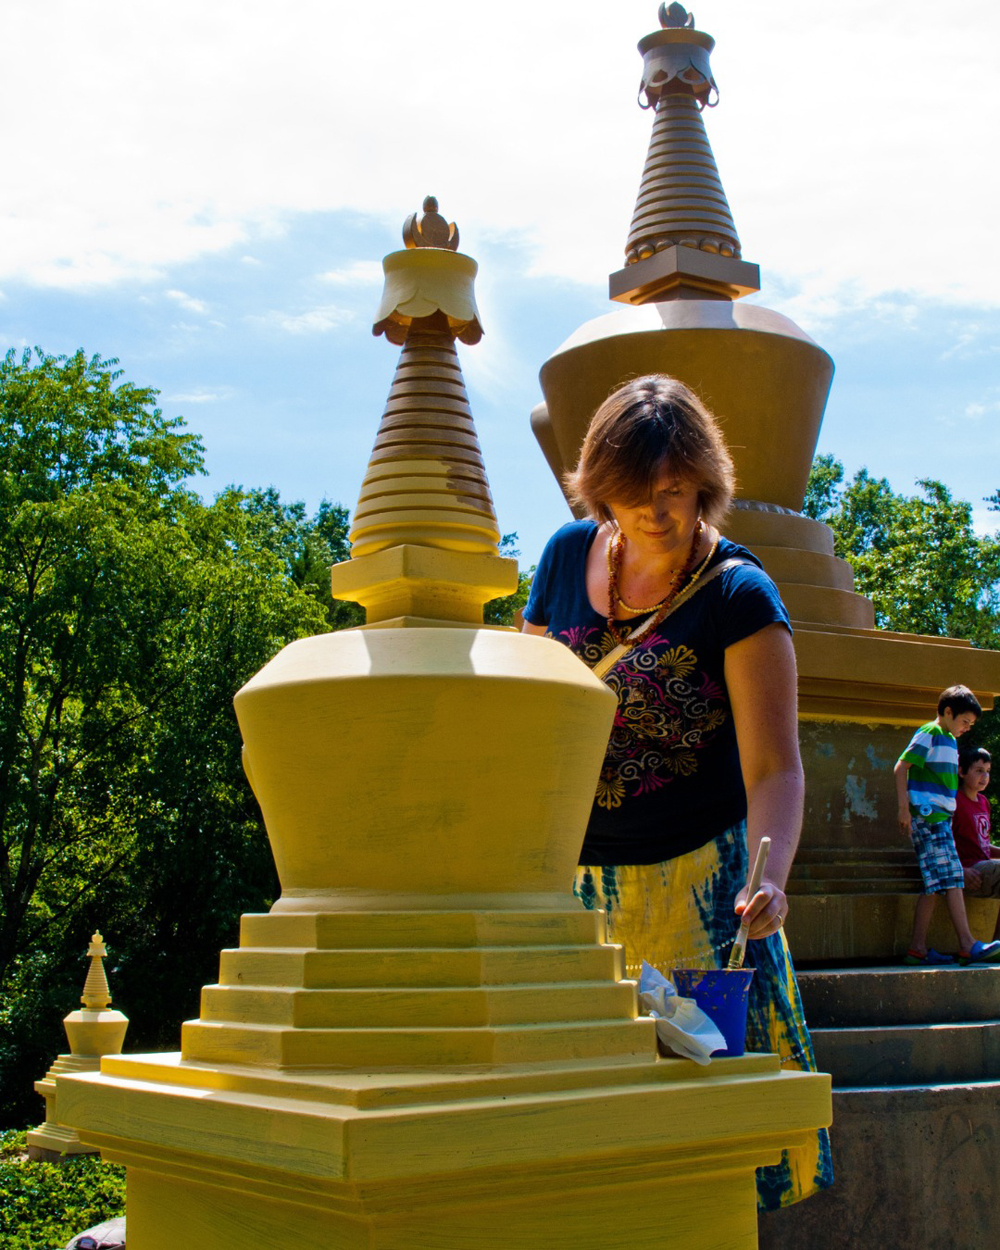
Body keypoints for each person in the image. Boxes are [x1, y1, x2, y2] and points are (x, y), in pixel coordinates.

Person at [522, 374, 832, 1212]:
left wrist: (769, 880)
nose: (656, 513)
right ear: (599, 494)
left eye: (675, 491)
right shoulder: (561, 559)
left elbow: (776, 766)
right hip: (575, 897)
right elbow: (530, 711)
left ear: (705, 484)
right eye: (631, 496)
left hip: (703, 893)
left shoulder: (740, 595)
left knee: (709, 1139)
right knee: (584, 1133)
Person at [894, 686, 1000, 966]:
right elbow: (901, 767)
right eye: (964, 721)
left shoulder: (950, 741)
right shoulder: (930, 733)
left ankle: (917, 948)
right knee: (953, 878)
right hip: (928, 819)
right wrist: (904, 809)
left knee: (934, 885)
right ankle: (968, 944)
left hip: (940, 820)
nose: (967, 728)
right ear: (948, 712)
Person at [954, 746, 1000, 941]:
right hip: (969, 871)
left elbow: (981, 845)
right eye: (979, 770)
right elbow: (945, 842)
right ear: (962, 771)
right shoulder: (954, 801)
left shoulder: (983, 802)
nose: (985, 776)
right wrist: (960, 869)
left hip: (984, 865)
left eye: (987, 771)